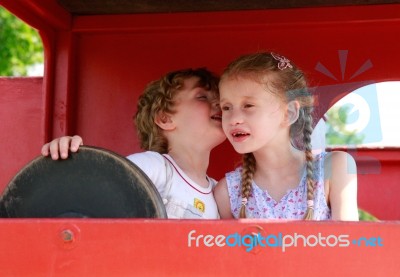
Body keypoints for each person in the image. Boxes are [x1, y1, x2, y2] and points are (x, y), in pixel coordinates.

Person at [41, 68, 226, 219]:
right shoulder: (156, 167)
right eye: (202, 96)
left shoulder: (218, 191)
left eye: (220, 98)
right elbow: (92, 197)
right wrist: (70, 162)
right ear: (165, 118)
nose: (219, 102)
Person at [213, 52, 359, 220]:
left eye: (248, 105)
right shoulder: (227, 192)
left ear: (289, 113)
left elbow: (349, 243)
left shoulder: (333, 168)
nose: (234, 119)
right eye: (226, 107)